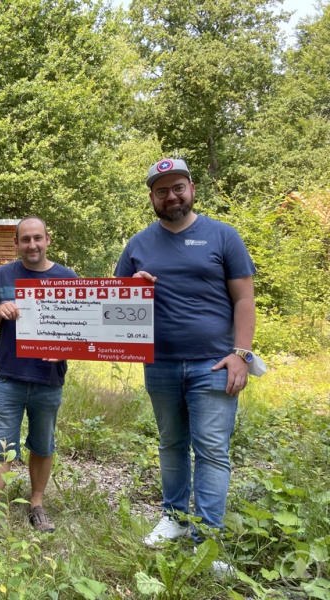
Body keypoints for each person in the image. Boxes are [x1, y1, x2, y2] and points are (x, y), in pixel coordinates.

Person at [114, 159, 256, 560]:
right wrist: (131, 286)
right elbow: (113, 301)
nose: (171, 196)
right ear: (152, 198)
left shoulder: (223, 235)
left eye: (178, 187)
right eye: (162, 191)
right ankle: (174, 517)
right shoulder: (138, 244)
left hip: (214, 363)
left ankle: (207, 541)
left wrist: (241, 354)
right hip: (158, 362)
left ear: (191, 188)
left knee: (211, 449)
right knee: (171, 443)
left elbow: (244, 299)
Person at [0, 217, 78, 546]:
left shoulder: (67, 277)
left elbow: (79, 329)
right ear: (16, 243)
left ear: (48, 239)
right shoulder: (3, 275)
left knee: (43, 445)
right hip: (9, 374)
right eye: (25, 239)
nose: (32, 245)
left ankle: (37, 504)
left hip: (48, 377)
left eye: (37, 238)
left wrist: (66, 349)